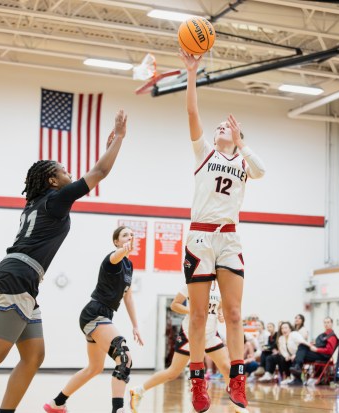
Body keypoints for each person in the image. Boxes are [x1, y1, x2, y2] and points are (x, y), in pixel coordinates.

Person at [0, 110, 128, 413]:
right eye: (65, 171)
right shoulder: (56, 200)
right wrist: (119, 138)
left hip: (21, 277)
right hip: (18, 275)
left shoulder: (36, 202)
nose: (70, 175)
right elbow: (99, 172)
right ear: (52, 180)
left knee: (34, 355)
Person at [178, 49, 266, 413]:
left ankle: (237, 380)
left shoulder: (243, 162)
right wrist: (192, 73)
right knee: (198, 317)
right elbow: (193, 113)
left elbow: (261, 170)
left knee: (233, 313)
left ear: (237, 135)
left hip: (229, 237)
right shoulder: (204, 153)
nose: (219, 128)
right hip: (200, 238)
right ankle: (198, 384)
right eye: (218, 128)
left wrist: (243, 143)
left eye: (225, 127)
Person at [43, 226, 143, 413]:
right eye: (124, 235)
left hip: (102, 316)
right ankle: (118, 410)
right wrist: (124, 249)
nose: (130, 236)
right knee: (124, 358)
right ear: (116, 241)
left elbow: (128, 297)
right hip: (95, 313)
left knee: (95, 368)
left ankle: (56, 403)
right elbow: (117, 255)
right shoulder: (111, 259)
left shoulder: (129, 266)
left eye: (132, 234)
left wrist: (135, 326)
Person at [129, 282, 234, 413]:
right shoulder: (193, 283)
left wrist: (220, 313)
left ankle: (237, 406)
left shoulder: (220, 285)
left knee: (226, 367)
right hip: (190, 333)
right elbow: (175, 305)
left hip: (211, 334)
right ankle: (139, 390)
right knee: (173, 372)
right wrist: (193, 311)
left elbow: (220, 305)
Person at [289, 317, 339, 385]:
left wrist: (316, 349)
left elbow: (329, 351)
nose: (326, 324)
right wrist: (312, 345)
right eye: (325, 322)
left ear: (332, 324)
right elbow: (317, 344)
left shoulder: (332, 337)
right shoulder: (321, 335)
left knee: (300, 351)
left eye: (328, 322)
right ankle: (297, 373)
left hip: (323, 356)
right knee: (301, 349)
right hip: (316, 353)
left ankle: (297, 373)